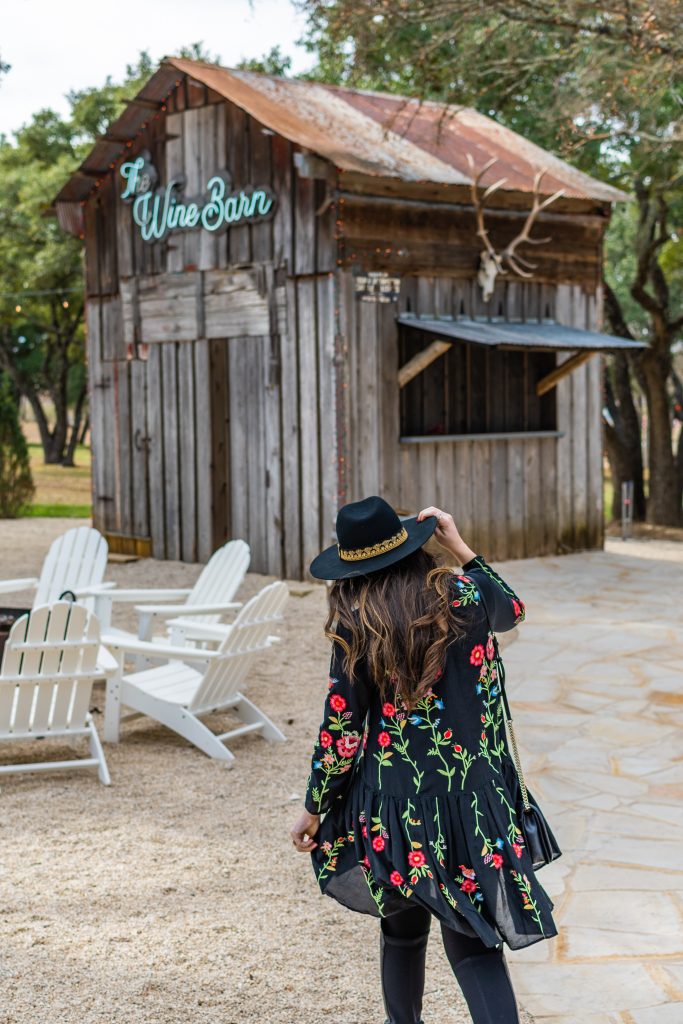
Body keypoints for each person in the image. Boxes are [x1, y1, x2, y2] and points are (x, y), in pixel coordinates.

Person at [290, 496, 560, 1024]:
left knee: (402, 933)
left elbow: (342, 729)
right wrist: (458, 545)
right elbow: (513, 610)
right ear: (414, 545)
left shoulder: (357, 619)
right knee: (475, 947)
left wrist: (314, 806)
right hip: (472, 803)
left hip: (394, 805)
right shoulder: (462, 594)